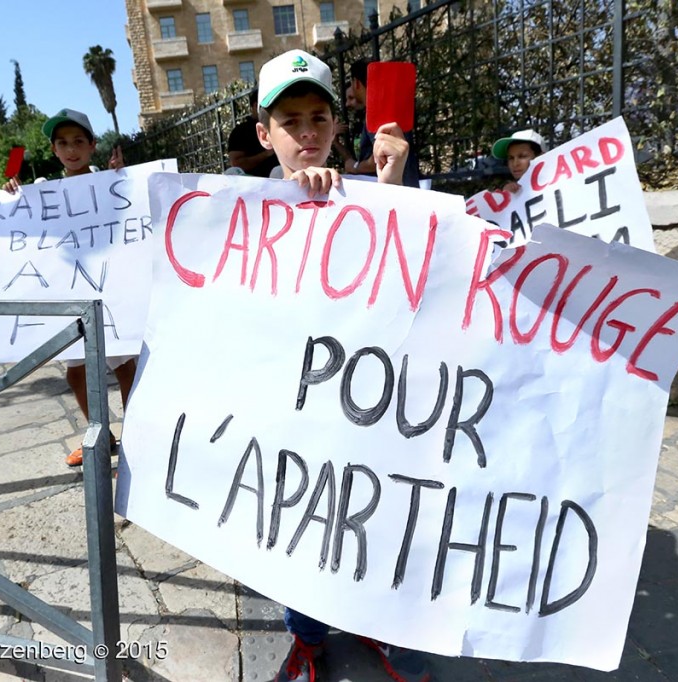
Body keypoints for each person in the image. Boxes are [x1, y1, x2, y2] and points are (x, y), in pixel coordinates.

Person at [254, 48, 431, 682]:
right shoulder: (247, 213)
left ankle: (374, 621)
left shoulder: (360, 194)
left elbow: (405, 256)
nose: (306, 134)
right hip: (293, 412)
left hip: (365, 401)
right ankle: (307, 635)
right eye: (290, 120)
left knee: (368, 519)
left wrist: (387, 185)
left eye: (318, 119)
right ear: (264, 133)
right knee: (304, 524)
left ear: (336, 126)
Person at [2, 108, 134, 467]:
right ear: (54, 149)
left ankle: (138, 432)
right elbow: (18, 221)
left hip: (108, 291)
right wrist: (10, 191)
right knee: (76, 370)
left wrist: (122, 181)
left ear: (92, 145)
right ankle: (100, 434)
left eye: (78, 141)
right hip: (70, 295)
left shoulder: (111, 185)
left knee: (125, 365)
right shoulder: (41, 192)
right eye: (63, 143)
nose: (71, 149)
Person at [348, 58, 422, 188]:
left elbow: (381, 156)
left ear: (356, 83)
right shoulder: (391, 108)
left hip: (396, 191)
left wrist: (355, 167)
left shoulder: (378, 114)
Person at [227, 88, 281, 178]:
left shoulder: (279, 125)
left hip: (279, 179)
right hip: (251, 181)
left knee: (278, 171)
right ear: (256, 105)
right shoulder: (241, 132)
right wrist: (266, 154)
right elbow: (236, 163)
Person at [490, 128, 547, 193]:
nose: (515, 164)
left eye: (522, 156)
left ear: (541, 156)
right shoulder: (507, 189)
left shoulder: (557, 184)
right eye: (511, 158)